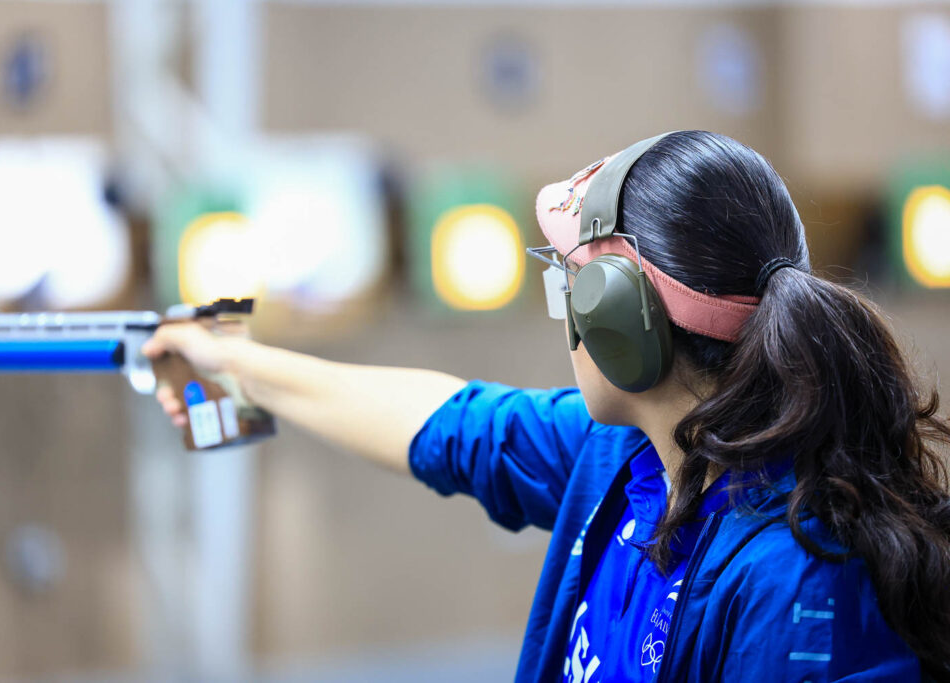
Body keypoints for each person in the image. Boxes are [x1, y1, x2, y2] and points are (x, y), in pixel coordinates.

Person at [141, 130, 950, 682]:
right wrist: (234, 364)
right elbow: (448, 422)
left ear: (618, 316)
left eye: (570, 279)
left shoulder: (800, 584)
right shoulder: (631, 459)